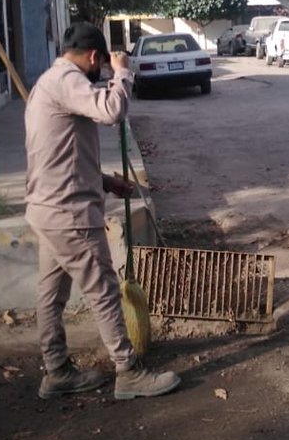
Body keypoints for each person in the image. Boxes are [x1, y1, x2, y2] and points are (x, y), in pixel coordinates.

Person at [24, 22, 181, 401]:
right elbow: (112, 110)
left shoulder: (49, 81)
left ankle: (56, 370)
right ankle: (128, 372)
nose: (101, 73)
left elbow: (63, 154)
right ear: (94, 57)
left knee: (52, 295)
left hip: (48, 209)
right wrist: (123, 71)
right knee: (104, 290)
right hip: (69, 214)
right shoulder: (69, 80)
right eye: (101, 66)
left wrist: (107, 182)